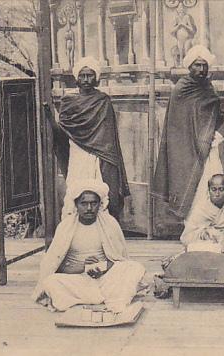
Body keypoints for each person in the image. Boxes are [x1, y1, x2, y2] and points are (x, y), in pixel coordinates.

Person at [153, 45, 224, 220]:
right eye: (197, 65)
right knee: (193, 187)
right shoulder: (182, 88)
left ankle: (211, 222)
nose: (201, 69)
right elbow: (179, 124)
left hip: (207, 146)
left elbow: (214, 118)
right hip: (188, 149)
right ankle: (193, 226)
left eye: (204, 65)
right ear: (189, 66)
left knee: (212, 180)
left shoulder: (207, 87)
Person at [31, 180, 145, 313]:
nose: (89, 208)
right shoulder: (65, 227)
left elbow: (120, 258)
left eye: (93, 203)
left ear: (100, 204)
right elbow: (55, 265)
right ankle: (108, 298)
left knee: (134, 267)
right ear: (76, 205)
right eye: (84, 203)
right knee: (51, 282)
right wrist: (83, 268)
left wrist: (104, 267)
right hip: (79, 280)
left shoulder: (110, 223)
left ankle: (94, 299)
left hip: (105, 278)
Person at [44, 56, 130, 220]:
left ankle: (103, 227)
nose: (85, 79)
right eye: (82, 75)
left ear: (96, 78)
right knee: (78, 187)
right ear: (76, 77)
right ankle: (75, 226)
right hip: (78, 153)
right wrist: (50, 119)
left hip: (99, 156)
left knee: (100, 188)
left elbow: (109, 136)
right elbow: (62, 132)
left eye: (90, 75)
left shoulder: (103, 100)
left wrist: (106, 157)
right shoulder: (68, 101)